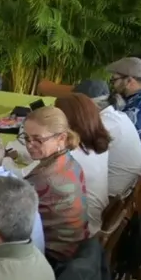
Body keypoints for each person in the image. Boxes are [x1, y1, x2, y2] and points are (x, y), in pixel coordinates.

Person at [20, 107, 88, 263]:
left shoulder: (43, 178)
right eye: (26, 138)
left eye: (38, 139)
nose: (29, 145)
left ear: (61, 138)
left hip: (56, 260)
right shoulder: (69, 160)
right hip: (77, 249)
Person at [73, 79, 141, 196]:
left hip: (112, 193)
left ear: (88, 105)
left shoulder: (105, 123)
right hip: (123, 189)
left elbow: (76, 154)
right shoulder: (117, 116)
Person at [54, 94, 111, 234]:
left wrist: (7, 160)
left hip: (78, 232)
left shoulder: (70, 155)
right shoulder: (98, 146)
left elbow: (25, 178)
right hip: (93, 221)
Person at [107, 57, 141, 168]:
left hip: (135, 171)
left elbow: (115, 138)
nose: (113, 85)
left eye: (114, 80)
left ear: (129, 81)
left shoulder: (139, 107)